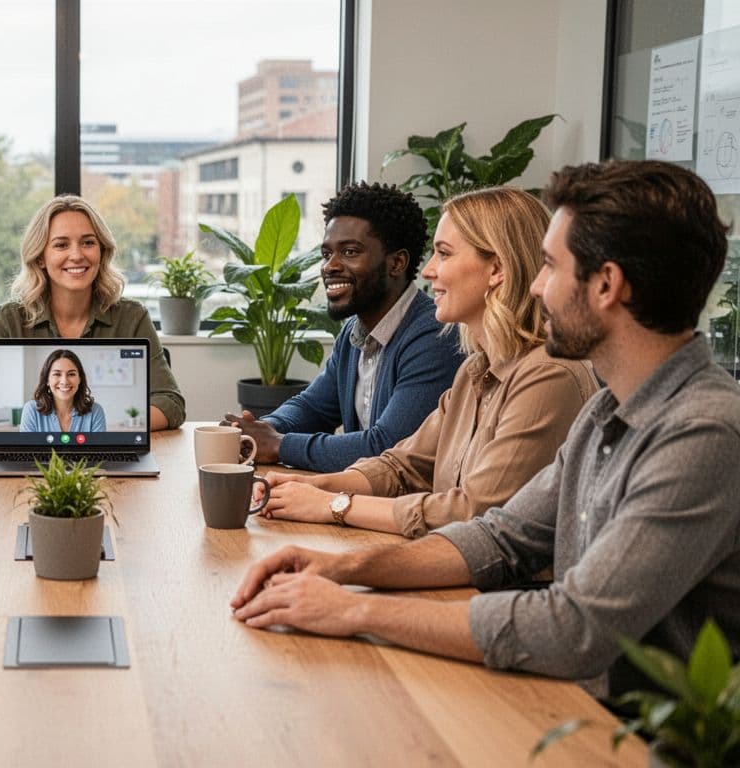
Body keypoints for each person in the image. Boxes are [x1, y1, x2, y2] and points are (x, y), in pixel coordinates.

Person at [231, 160, 740, 699]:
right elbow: (500, 535)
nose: (537, 286)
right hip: (570, 702)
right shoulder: (606, 413)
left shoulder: (701, 433)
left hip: (637, 739)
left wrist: (355, 608)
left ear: (607, 285)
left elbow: (574, 629)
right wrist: (340, 567)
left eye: (550, 266)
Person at [256, 187, 597, 537]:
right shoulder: (475, 370)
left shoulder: (547, 376)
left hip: (506, 585)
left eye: (444, 255)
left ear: (497, 269)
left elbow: (474, 512)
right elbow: (402, 465)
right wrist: (315, 487)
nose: (429, 271)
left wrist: (334, 505)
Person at [223, 182, 464, 472]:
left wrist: (277, 444)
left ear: (397, 263)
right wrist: (259, 430)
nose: (329, 266)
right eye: (327, 254)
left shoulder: (434, 335)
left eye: (350, 252)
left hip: (403, 510)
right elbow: (313, 407)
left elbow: (387, 449)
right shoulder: (354, 332)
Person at [0, 195, 184, 431]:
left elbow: (171, 403)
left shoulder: (133, 318)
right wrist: (23, 435)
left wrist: (104, 433)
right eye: (61, 245)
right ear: (41, 257)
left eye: (88, 243)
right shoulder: (9, 319)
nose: (77, 255)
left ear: (101, 251)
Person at [19, 348, 107, 432]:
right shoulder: (31, 410)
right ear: (47, 380)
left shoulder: (95, 411)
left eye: (71, 374)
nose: (64, 381)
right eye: (57, 374)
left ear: (80, 379)